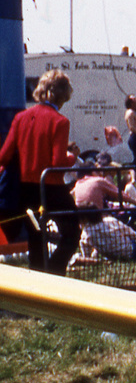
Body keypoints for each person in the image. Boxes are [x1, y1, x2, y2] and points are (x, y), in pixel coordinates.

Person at [0, 69, 80, 273]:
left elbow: (4, 155)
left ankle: (39, 282)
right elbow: (58, 162)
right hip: (51, 189)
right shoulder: (60, 121)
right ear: (63, 95)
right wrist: (72, 156)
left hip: (25, 190)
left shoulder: (21, 118)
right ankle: (54, 270)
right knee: (71, 233)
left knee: (36, 236)